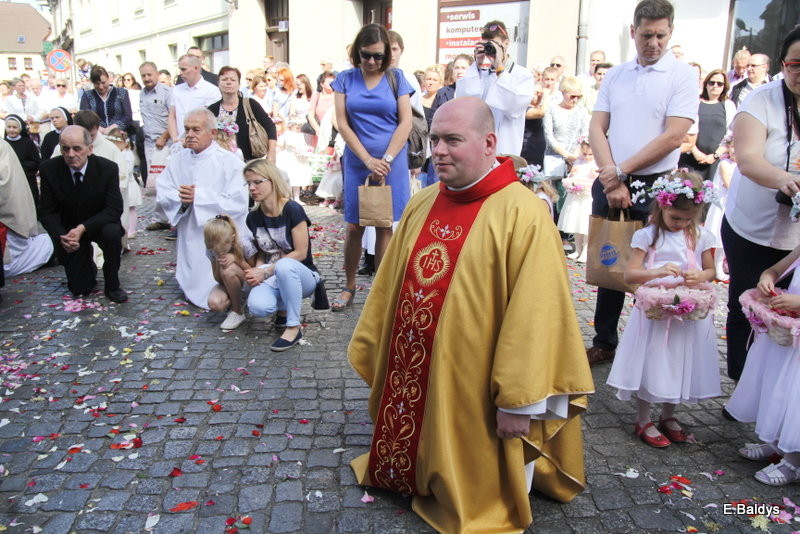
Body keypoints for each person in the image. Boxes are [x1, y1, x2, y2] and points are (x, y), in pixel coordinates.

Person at [348, 96, 594, 532]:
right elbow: (387, 291)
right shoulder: (423, 203)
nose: (438, 150)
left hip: (481, 389)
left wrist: (520, 401)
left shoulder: (525, 214)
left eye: (452, 140)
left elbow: (536, 320)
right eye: (435, 139)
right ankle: (414, 467)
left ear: (488, 143)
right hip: (419, 374)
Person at [586, 0, 698, 366]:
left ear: (670, 33)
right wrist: (611, 176)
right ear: (633, 32)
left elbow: (673, 136)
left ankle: (646, 342)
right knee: (610, 259)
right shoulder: (616, 75)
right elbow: (597, 128)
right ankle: (604, 340)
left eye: (661, 35)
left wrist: (621, 171)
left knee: (653, 262)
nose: (654, 42)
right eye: (646, 34)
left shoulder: (681, 75)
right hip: (611, 177)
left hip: (656, 183)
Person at [606, 172, 720, 447]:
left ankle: (669, 414)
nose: (681, 224)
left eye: (688, 219)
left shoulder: (703, 236)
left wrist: (700, 277)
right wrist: (655, 271)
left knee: (681, 361)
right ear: (662, 206)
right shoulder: (647, 236)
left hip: (687, 310)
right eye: (675, 218)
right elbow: (630, 275)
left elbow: (711, 271)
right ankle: (643, 417)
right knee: (654, 361)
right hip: (655, 312)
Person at [721, 27, 800, 382]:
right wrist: (785, 180)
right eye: (796, 64)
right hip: (750, 226)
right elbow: (748, 158)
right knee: (747, 304)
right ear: (783, 64)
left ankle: (774, 389)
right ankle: (741, 386)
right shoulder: (761, 100)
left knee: (788, 312)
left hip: (794, 237)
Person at [329, 23, 412, 311]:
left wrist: (386, 160)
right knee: (354, 226)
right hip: (357, 160)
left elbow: (406, 122)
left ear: (387, 54)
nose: (373, 61)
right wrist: (367, 160)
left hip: (392, 162)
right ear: (357, 53)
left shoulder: (396, 77)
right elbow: (342, 123)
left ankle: (381, 289)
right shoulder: (344, 79)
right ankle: (349, 285)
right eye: (367, 55)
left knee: (384, 224)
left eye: (378, 56)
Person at [156, 108, 248, 309]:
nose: (189, 135)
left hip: (219, 238)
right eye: (187, 129)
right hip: (190, 231)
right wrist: (182, 200)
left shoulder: (229, 161)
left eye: (196, 130)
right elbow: (163, 191)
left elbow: (238, 202)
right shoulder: (178, 159)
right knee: (195, 277)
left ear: (212, 133)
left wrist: (200, 197)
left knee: (216, 298)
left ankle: (231, 290)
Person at [725, 244, 800, 486]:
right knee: (779, 390)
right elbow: (775, 270)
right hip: (789, 332)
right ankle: (777, 442)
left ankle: (793, 461)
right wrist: (767, 279)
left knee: (796, 396)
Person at [39, 125, 127, 302]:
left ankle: (112, 284)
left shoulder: (107, 169)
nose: (71, 154)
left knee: (112, 234)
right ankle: (88, 267)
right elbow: (47, 211)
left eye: (77, 148)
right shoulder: (49, 169)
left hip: (99, 224)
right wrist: (62, 236)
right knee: (80, 288)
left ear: (90, 149)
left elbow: (114, 209)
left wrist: (83, 228)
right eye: (65, 149)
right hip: (69, 229)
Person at [242, 159, 322, 351]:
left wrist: (266, 271)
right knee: (258, 307)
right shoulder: (252, 217)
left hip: (303, 275)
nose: (252, 188)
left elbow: (301, 253)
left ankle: (293, 327)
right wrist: (258, 270)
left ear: (272, 181)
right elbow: (263, 251)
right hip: (273, 276)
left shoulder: (292, 210)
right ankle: (284, 309)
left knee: (284, 266)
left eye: (257, 182)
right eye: (248, 184)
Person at [455, 20, 534, 155]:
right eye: (486, 45)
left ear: (506, 43)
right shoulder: (480, 75)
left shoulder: (522, 75)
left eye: (493, 45)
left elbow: (513, 108)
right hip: (478, 151)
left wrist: (499, 67)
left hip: (505, 149)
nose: (489, 49)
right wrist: (477, 65)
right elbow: (465, 104)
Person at [0, 139, 53, 280]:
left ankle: (53, 248)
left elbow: (5, 184)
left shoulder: (2, 147)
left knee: (9, 264)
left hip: (6, 219)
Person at [207, 66, 277, 163]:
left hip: (249, 165)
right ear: (218, 84)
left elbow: (270, 127)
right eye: (224, 79)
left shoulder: (250, 104)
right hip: (220, 164)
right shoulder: (212, 110)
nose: (228, 82)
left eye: (233, 80)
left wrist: (272, 153)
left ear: (239, 84)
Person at [678, 70, 736, 182]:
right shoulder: (695, 103)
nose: (715, 86)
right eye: (711, 82)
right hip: (690, 158)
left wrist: (715, 155)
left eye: (719, 84)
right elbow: (685, 129)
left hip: (714, 161)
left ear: (725, 86)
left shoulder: (728, 105)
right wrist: (694, 151)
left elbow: (731, 134)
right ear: (706, 84)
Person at [543, 76, 589, 218]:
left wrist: (574, 156)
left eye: (578, 97)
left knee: (571, 199)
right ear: (563, 92)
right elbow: (549, 136)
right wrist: (566, 155)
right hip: (554, 158)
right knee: (554, 196)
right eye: (572, 96)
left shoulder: (582, 111)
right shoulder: (551, 109)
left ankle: (567, 235)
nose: (575, 100)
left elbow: (584, 136)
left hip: (576, 160)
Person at [204, 214, 255, 330]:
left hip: (247, 280)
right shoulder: (212, 249)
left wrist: (237, 259)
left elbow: (254, 270)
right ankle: (238, 299)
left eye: (222, 249)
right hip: (227, 281)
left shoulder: (244, 244)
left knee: (229, 269)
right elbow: (217, 278)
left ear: (231, 239)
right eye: (215, 250)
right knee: (215, 304)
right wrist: (218, 262)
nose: (218, 251)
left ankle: (237, 311)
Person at [138, 61, 172, 229]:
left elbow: (173, 118)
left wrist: (165, 136)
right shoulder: (141, 94)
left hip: (165, 143)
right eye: (143, 75)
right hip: (149, 143)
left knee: (166, 181)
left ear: (157, 74)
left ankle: (170, 218)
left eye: (149, 74)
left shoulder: (167, 93)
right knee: (154, 182)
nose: (147, 78)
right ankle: (160, 218)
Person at [558, 139, 597, 262]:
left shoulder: (597, 163)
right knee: (575, 222)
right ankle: (578, 249)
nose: (587, 157)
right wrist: (571, 174)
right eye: (585, 154)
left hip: (588, 197)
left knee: (585, 225)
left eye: (590, 154)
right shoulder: (579, 161)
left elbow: (600, 180)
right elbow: (570, 177)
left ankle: (586, 250)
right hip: (576, 196)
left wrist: (595, 175)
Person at [168, 55, 221, 142]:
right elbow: (172, 116)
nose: (180, 73)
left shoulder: (211, 90)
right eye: (180, 69)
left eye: (184, 69)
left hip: (201, 143)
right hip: (179, 142)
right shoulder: (176, 90)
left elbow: (211, 120)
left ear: (196, 68)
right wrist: (175, 138)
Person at [704, 136, 734, 281]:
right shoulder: (725, 164)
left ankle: (726, 265)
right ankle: (717, 267)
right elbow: (729, 184)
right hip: (725, 202)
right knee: (719, 237)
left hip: (735, 204)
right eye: (732, 147)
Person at [79, 66, 133, 136]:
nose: (101, 86)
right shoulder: (87, 95)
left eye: (103, 83)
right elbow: (84, 118)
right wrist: (100, 130)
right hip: (96, 135)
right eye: (97, 84)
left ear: (108, 79)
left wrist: (111, 129)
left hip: (119, 134)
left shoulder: (121, 92)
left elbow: (127, 116)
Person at [4, 115, 41, 211]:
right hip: (8, 181)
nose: (11, 130)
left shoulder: (28, 143)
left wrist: (18, 166)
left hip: (26, 180)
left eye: (15, 127)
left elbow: (36, 162)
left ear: (20, 128)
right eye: (9, 127)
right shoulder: (3, 144)